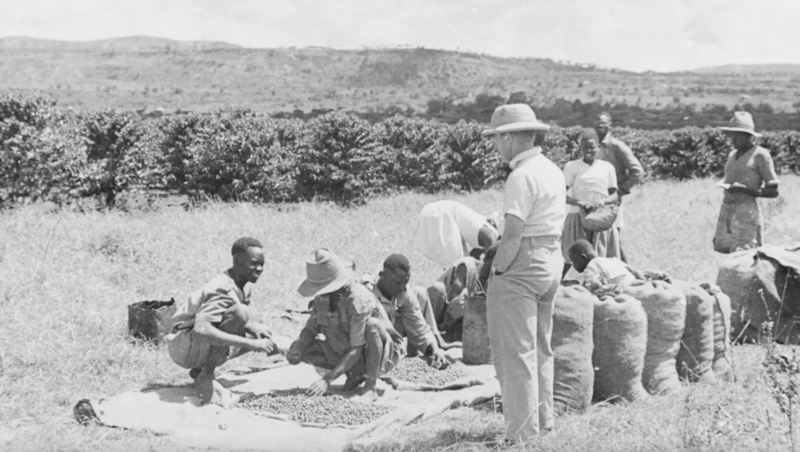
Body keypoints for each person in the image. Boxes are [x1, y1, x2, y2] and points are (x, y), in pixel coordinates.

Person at [482, 104, 566, 442]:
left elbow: (513, 234)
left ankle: (521, 435)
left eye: (496, 139)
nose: (495, 146)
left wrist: (498, 271)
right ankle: (544, 422)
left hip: (524, 263)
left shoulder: (520, 176)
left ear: (510, 138)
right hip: (551, 258)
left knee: (515, 354)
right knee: (540, 347)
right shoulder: (552, 169)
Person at [166, 237, 285, 407]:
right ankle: (207, 374)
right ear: (236, 261)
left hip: (194, 342)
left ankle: (200, 370)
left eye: (262, 264)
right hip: (183, 346)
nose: (259, 269)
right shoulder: (222, 288)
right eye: (254, 263)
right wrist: (250, 343)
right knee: (241, 314)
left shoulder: (244, 283)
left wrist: (251, 328)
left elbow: (222, 317)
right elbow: (201, 330)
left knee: (261, 331)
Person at [287, 248, 404, 403]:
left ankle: (371, 386)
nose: (320, 293)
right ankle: (355, 374)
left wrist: (326, 380)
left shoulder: (359, 300)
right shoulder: (323, 298)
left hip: (384, 353)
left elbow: (357, 349)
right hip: (347, 345)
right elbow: (310, 328)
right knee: (305, 345)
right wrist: (299, 346)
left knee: (372, 325)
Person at [363, 254, 451, 365]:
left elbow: (418, 326)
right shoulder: (366, 291)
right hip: (368, 339)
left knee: (419, 292)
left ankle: (407, 350)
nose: (402, 287)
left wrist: (435, 350)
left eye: (405, 282)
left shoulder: (404, 292)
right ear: (385, 274)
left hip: (393, 334)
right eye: (398, 283)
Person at [713, 111, 780, 253]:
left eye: (736, 135)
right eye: (731, 135)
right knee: (727, 252)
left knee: (746, 254)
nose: (732, 139)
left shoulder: (760, 155)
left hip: (746, 211)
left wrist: (745, 190)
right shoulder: (732, 155)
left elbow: (774, 191)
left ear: (748, 136)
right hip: (727, 209)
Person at [561, 128, 620, 277]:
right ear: (580, 148)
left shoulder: (607, 167)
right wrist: (578, 202)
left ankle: (600, 285)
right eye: (585, 147)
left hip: (600, 219)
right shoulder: (572, 166)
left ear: (598, 147)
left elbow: (614, 195)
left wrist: (603, 201)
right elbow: (561, 194)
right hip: (577, 218)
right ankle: (557, 284)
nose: (588, 151)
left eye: (592, 147)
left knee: (601, 258)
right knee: (571, 257)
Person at [594, 112, 644, 263]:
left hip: (611, 201)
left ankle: (628, 272)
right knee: (599, 242)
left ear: (610, 126)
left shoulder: (616, 146)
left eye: (604, 123)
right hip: (595, 200)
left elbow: (637, 171)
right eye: (598, 123)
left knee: (613, 241)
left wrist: (621, 190)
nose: (600, 126)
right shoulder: (593, 146)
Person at [412, 200, 500, 268]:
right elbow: (488, 266)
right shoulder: (491, 235)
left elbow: (474, 260)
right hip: (441, 213)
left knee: (462, 265)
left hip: (434, 211)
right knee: (458, 266)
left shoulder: (481, 230)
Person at [425, 256, 485, 343]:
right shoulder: (468, 266)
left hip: (453, 319)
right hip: (440, 312)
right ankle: (433, 336)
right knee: (438, 288)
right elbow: (454, 292)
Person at [566, 239, 639, 286]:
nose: (573, 266)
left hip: (623, 289)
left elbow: (591, 287)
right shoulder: (612, 260)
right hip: (634, 284)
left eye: (574, 262)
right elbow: (634, 271)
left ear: (583, 257)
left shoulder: (592, 266)